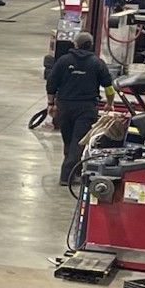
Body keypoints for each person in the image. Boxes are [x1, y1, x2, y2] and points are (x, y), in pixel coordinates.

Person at [46, 31, 114, 186]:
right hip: (86, 108)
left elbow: (51, 83)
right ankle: (67, 176)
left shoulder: (63, 61)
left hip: (64, 106)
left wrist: (51, 104)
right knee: (78, 142)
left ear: (75, 44)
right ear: (90, 45)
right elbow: (109, 87)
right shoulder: (97, 63)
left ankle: (73, 171)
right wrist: (110, 103)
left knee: (69, 141)